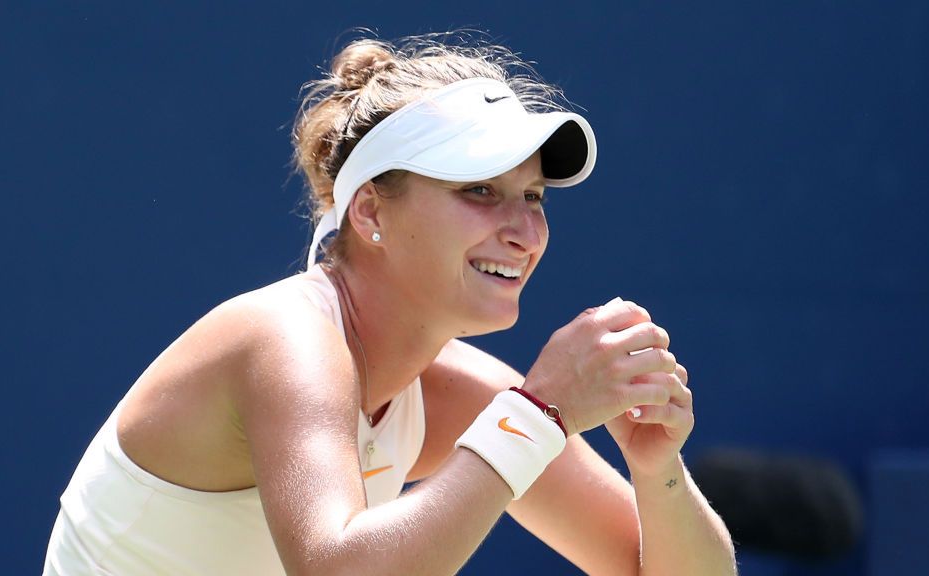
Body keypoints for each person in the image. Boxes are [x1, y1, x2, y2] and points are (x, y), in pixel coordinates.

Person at [43, 35, 736, 575]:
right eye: (480, 191)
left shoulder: (461, 395)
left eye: (532, 197)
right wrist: (538, 415)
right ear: (371, 212)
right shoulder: (283, 338)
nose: (525, 232)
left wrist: (657, 470)